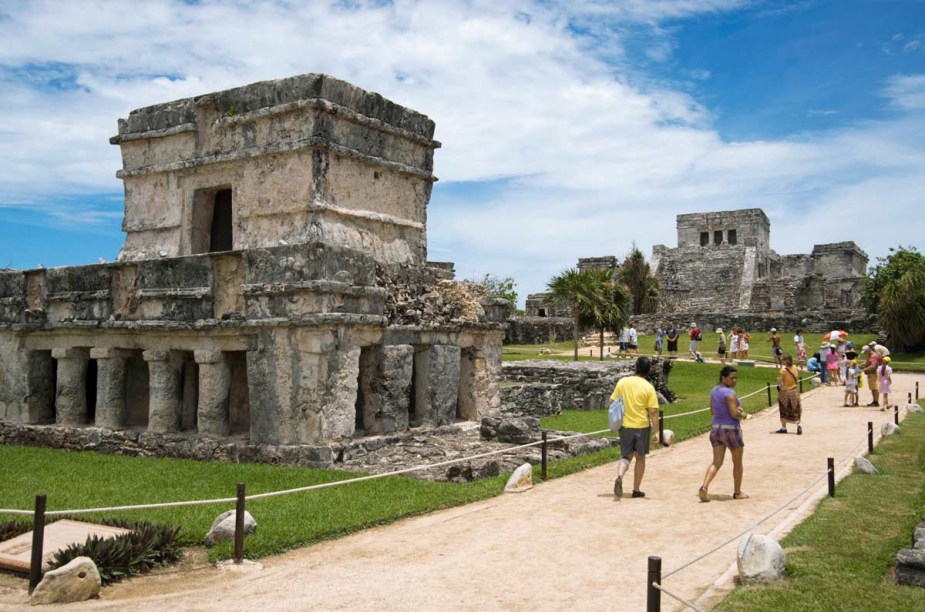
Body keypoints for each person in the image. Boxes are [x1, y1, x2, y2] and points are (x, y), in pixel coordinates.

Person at [611, 357, 660, 500]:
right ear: (648, 370)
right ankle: (636, 489)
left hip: (625, 425)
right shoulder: (648, 387)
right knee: (640, 458)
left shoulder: (623, 382)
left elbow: (613, 401)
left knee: (626, 456)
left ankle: (620, 476)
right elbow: (653, 412)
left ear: (636, 367)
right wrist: (657, 431)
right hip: (642, 426)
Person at [698, 365, 748, 502]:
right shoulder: (730, 394)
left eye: (736, 378)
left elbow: (713, 411)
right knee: (737, 462)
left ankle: (704, 486)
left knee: (716, 461)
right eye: (732, 378)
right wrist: (742, 414)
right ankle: (737, 492)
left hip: (716, 428)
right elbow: (733, 414)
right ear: (723, 378)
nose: (735, 381)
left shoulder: (714, 391)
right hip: (731, 429)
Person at [776, 354, 802, 434]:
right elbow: (796, 377)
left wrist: (778, 379)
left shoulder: (783, 370)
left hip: (785, 391)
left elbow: (779, 381)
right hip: (794, 390)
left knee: (783, 409)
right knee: (796, 409)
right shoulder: (794, 367)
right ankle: (798, 425)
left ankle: (784, 428)